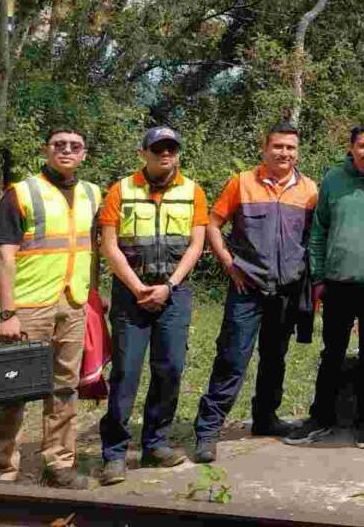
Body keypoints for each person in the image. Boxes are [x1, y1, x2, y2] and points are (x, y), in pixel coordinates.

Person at [192, 123, 318, 462]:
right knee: (232, 357)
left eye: (291, 148)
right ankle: (208, 430)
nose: (284, 153)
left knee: (275, 358)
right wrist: (228, 263)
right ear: (265, 148)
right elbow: (212, 224)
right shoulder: (242, 183)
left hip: (287, 289)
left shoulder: (309, 190)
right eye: (278, 147)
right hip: (246, 286)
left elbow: (313, 238)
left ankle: (265, 418)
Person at [0, 126, 102, 489]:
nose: (67, 150)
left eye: (75, 146)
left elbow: (93, 248)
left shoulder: (92, 194)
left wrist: (94, 293)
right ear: (46, 150)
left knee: (64, 388)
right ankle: (2, 469)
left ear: (84, 154)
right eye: (59, 145)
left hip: (73, 304)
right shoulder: (21, 193)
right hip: (28, 307)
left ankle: (59, 464)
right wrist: (8, 313)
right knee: (13, 389)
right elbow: (3, 254)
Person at [97, 127, 208, 486]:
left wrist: (169, 286)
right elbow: (109, 245)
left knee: (171, 368)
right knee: (126, 372)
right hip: (133, 293)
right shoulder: (120, 190)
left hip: (174, 294)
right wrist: (139, 287)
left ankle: (156, 443)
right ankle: (114, 453)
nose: (165, 154)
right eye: (158, 148)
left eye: (171, 149)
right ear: (142, 153)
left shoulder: (194, 192)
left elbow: (196, 244)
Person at [285, 124, 364, 448]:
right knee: (332, 353)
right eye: (362, 145)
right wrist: (320, 276)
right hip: (336, 283)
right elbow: (319, 229)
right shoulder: (333, 180)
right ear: (351, 148)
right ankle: (320, 418)